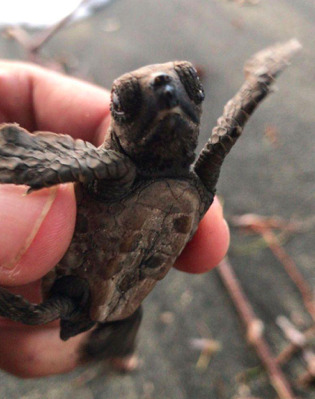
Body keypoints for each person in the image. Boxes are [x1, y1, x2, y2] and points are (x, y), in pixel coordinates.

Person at [0, 61, 230, 377]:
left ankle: (119, 350)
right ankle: (116, 351)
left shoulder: (194, 181)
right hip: (75, 291)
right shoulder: (114, 171)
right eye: (127, 101)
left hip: (122, 300)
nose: (164, 87)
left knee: (56, 321)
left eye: (191, 89)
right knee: (39, 316)